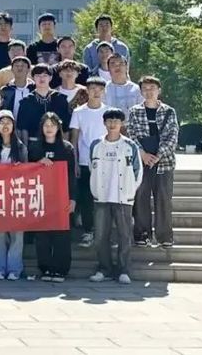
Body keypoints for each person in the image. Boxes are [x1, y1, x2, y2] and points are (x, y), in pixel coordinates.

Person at [89, 108, 143, 285]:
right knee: (100, 236)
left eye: (116, 121)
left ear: (122, 124)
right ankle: (104, 269)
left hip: (123, 197)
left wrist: (130, 190)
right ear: (104, 123)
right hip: (102, 197)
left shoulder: (130, 146)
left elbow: (137, 171)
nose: (113, 124)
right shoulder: (96, 145)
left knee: (124, 235)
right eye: (109, 121)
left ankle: (123, 270)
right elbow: (91, 167)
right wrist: (95, 189)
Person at [127, 76, 179, 248]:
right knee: (141, 198)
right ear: (141, 91)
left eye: (152, 88)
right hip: (142, 161)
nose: (149, 92)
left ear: (159, 90)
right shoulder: (134, 111)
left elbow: (172, 136)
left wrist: (158, 155)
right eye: (145, 88)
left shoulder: (169, 111)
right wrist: (142, 153)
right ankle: (142, 235)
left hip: (164, 162)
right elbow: (131, 134)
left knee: (163, 199)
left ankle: (164, 237)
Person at [28, 113, 78, 282]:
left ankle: (60, 269)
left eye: (52, 125)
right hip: (41, 197)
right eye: (46, 125)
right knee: (42, 235)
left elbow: (71, 175)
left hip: (61, 196)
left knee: (61, 233)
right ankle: (45, 268)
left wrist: (73, 198)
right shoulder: (34, 148)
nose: (49, 128)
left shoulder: (67, 148)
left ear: (58, 128)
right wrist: (37, 163)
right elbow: (25, 170)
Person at [0, 110, 29, 280]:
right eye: (1, 122)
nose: (5, 125)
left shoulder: (21, 147)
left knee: (17, 233)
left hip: (16, 195)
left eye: (8, 122)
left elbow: (27, 171)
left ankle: (14, 269)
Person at [69, 77, 109, 248]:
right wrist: (76, 163)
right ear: (87, 90)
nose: (96, 92)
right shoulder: (79, 112)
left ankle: (104, 234)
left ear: (104, 91)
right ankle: (88, 231)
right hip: (85, 161)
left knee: (105, 199)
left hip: (107, 161)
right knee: (86, 198)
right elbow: (74, 139)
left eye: (99, 89)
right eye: (92, 88)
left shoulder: (109, 111)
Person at [15, 65, 72, 144]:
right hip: (34, 143)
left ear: (50, 78)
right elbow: (22, 128)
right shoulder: (26, 101)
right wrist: (25, 147)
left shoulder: (61, 99)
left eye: (45, 75)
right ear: (33, 78)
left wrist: (64, 145)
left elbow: (66, 127)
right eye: (38, 76)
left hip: (57, 143)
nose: (41, 78)